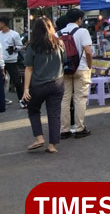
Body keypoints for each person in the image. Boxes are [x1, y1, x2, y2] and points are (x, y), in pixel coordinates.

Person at [22, 17, 65, 153]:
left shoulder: (32, 46)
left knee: (33, 109)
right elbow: (64, 60)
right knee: (54, 114)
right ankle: (52, 145)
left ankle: (39, 138)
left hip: (39, 85)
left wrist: (26, 89)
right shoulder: (59, 43)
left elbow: (29, 68)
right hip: (57, 83)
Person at [59, 8, 93, 139]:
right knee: (80, 98)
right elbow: (88, 52)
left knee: (65, 99)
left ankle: (64, 129)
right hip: (81, 68)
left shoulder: (58, 33)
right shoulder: (83, 31)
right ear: (79, 19)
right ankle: (79, 128)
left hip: (64, 69)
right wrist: (89, 66)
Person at [0, 17, 25, 108]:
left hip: (11, 61)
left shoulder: (14, 34)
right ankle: (3, 99)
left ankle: (22, 100)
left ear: (3, 23)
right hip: (1, 61)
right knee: (2, 82)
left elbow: (20, 46)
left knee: (17, 81)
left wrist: (13, 48)